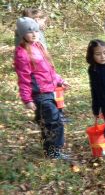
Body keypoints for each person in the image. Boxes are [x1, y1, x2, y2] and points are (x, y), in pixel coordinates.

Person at [13, 17, 69, 159]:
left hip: (49, 90)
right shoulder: (22, 53)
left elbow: (48, 70)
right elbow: (24, 79)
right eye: (29, 32)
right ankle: (53, 152)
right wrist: (27, 99)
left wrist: (59, 81)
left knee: (47, 122)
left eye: (36, 31)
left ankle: (50, 150)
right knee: (54, 121)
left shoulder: (39, 46)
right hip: (40, 94)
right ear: (22, 34)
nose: (34, 34)